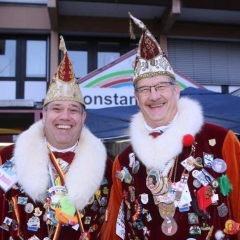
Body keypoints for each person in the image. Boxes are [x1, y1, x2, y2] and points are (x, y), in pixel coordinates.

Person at [101, 13, 240, 240]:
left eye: (161, 86)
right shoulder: (125, 161)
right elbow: (116, 232)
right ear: (136, 98)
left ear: (176, 91)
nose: (154, 96)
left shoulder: (221, 141)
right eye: (145, 89)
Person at [0, 35, 112, 240]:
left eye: (73, 110)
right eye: (56, 109)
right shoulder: (7, 158)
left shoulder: (107, 165)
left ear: (83, 117)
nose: (65, 117)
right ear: (44, 115)